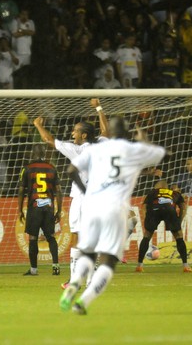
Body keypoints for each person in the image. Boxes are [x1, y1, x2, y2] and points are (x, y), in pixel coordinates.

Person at [60, 116, 166, 314]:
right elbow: (159, 154)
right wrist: (143, 139)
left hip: (93, 206)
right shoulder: (132, 150)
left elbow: (71, 169)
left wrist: (86, 192)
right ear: (126, 134)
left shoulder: (95, 149)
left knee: (88, 252)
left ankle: (74, 284)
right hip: (115, 208)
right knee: (109, 260)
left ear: (109, 131)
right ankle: (82, 302)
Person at [33, 98, 109, 289]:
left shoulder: (78, 150)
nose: (72, 133)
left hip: (83, 199)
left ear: (83, 135)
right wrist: (99, 108)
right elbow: (106, 131)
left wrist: (37, 125)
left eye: (75, 131)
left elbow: (48, 140)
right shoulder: (101, 143)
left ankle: (75, 280)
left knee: (76, 237)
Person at [18, 144, 63, 276]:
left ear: (32, 154)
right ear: (44, 154)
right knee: (51, 237)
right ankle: (55, 266)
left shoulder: (27, 169)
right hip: (48, 207)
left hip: (34, 207)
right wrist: (59, 211)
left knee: (33, 237)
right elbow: (59, 191)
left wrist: (19, 210)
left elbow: (21, 191)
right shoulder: (52, 168)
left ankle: (34, 269)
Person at [136, 180, 192, 273]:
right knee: (179, 236)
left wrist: (146, 219)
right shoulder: (174, 193)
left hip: (154, 210)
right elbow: (183, 206)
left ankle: (139, 266)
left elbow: (144, 207)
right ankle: (186, 266)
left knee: (147, 236)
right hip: (169, 210)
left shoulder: (152, 192)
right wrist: (179, 220)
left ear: (156, 187)